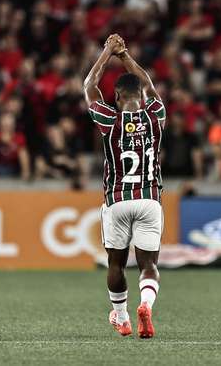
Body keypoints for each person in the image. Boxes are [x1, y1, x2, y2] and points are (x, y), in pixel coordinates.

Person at [84, 34, 165, 338]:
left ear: (117, 97)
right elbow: (149, 85)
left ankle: (121, 317)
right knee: (149, 265)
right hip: (149, 199)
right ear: (142, 96)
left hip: (117, 200)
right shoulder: (157, 116)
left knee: (116, 264)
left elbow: (88, 87)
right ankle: (146, 304)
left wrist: (107, 51)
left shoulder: (109, 119)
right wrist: (126, 55)